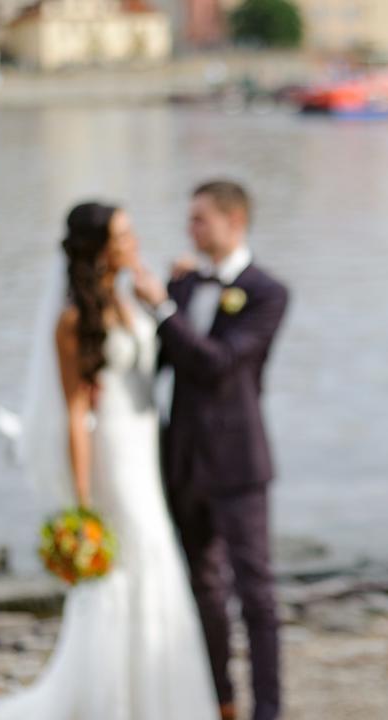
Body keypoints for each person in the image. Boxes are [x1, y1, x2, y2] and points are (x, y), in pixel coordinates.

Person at [0, 203, 218, 720]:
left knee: (156, 555)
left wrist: (169, 294)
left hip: (144, 446)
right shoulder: (72, 319)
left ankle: (157, 692)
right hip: (113, 454)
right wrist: (82, 501)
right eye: (123, 235)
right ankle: (113, 700)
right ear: (100, 248)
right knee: (129, 561)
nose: (134, 241)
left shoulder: (129, 295)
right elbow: (75, 415)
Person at [133, 180, 289, 720]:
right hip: (180, 460)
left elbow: (217, 364)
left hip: (238, 463)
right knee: (201, 586)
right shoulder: (184, 284)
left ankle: (268, 710)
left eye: (200, 219)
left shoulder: (268, 291)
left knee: (257, 594)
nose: (190, 229)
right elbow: (159, 361)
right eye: (190, 219)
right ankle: (220, 699)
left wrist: (160, 309)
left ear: (234, 220)